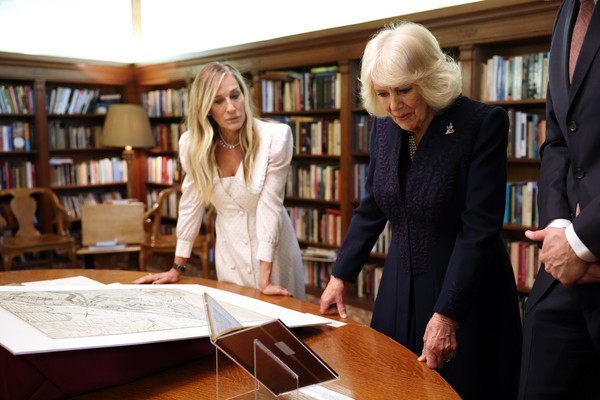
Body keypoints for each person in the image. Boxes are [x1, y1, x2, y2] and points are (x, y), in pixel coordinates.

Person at [319, 21, 522, 399]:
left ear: (429, 78)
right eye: (382, 93)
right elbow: (371, 206)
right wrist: (340, 276)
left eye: (403, 90)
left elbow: (479, 229)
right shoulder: (383, 126)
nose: (393, 105)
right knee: (390, 384)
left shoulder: (481, 123)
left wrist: (447, 316)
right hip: (399, 282)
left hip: (463, 288)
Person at [134, 61, 305, 300]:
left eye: (235, 96)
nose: (231, 108)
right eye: (218, 101)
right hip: (229, 248)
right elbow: (190, 205)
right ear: (206, 108)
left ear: (244, 95)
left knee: (280, 319)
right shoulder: (192, 145)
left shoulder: (274, 138)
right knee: (235, 316)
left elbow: (270, 206)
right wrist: (176, 268)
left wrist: (265, 279)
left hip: (272, 249)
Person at [518, 1, 600, 398]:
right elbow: (557, 138)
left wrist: (581, 241)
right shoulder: (567, 12)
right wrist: (558, 226)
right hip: (562, 279)